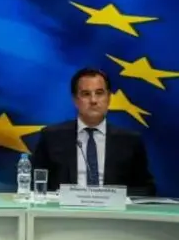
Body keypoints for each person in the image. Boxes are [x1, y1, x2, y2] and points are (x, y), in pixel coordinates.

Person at [31, 67, 155, 196]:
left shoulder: (130, 141)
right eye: (86, 94)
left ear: (109, 98)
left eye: (99, 93)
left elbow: (146, 189)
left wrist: (117, 197)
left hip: (113, 209)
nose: (93, 100)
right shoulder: (51, 137)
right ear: (75, 100)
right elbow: (34, 184)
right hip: (64, 208)